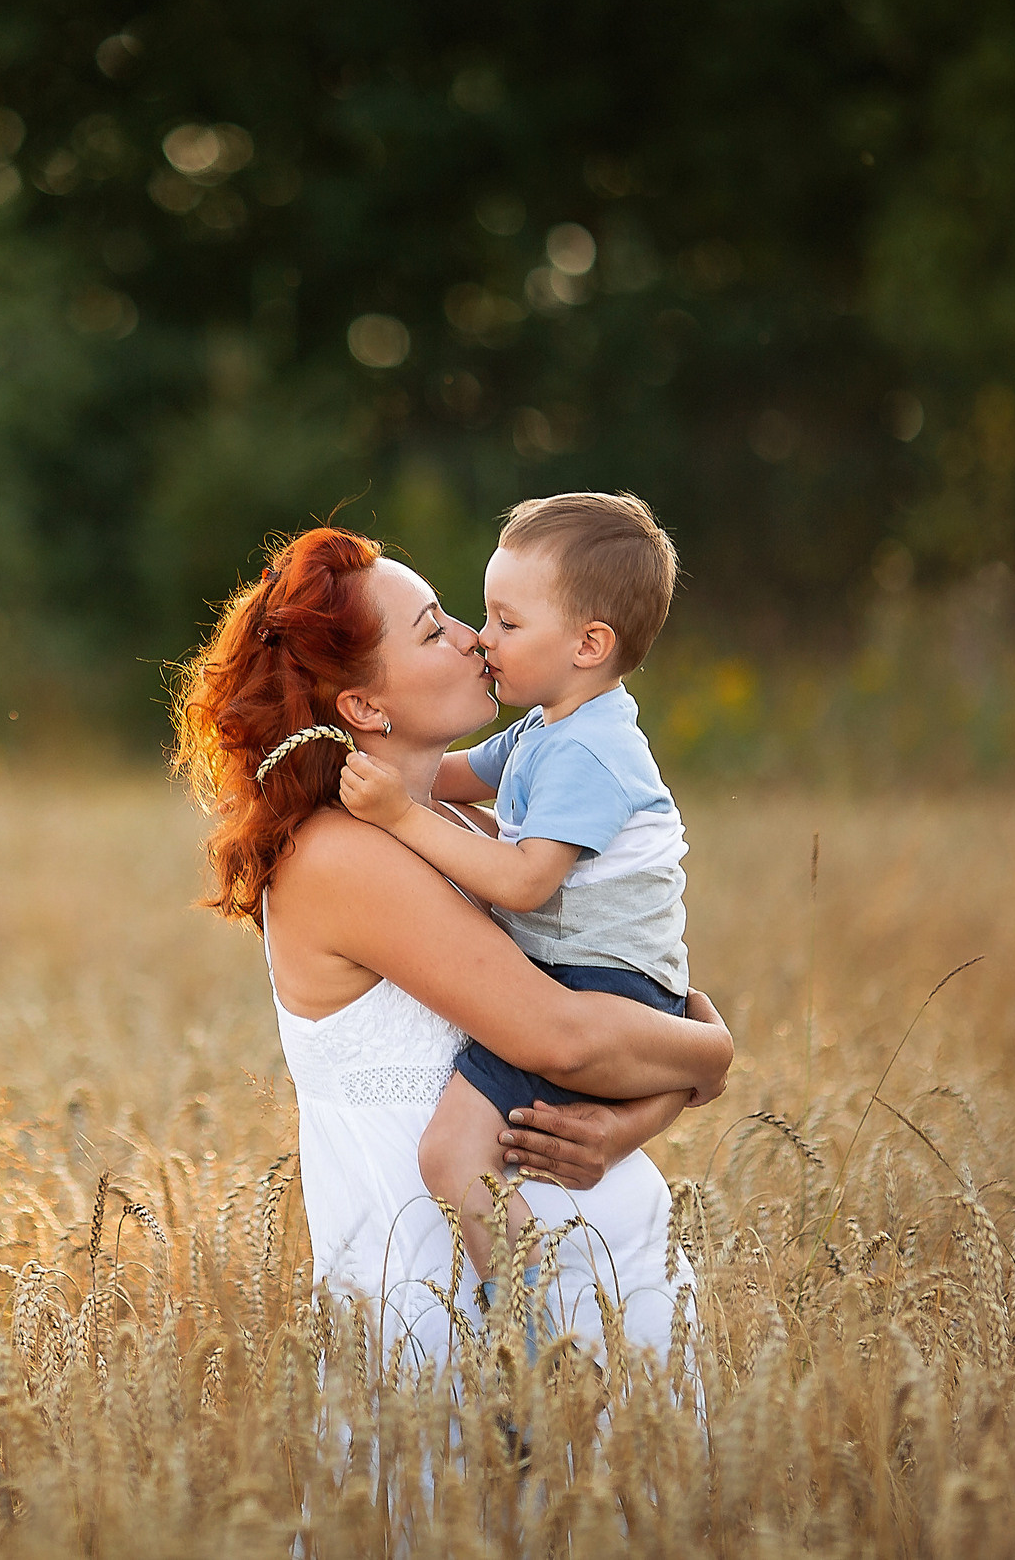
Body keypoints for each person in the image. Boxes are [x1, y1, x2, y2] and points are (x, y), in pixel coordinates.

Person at [172, 525, 730, 1367]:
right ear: (363, 707)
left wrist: (639, 1117)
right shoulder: (340, 856)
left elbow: (607, 1009)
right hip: (448, 1310)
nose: (476, 637)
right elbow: (565, 1037)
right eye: (435, 629)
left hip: (603, 1279)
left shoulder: (469, 823)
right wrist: (713, 1051)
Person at [338, 492, 695, 1325]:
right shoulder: (549, 726)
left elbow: (526, 881)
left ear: (588, 644)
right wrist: (354, 751)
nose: (481, 639)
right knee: (470, 1150)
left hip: (601, 990)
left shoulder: (593, 749)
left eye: (505, 622)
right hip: (583, 982)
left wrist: (398, 817)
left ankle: (530, 1331)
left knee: (452, 1152)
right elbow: (454, 775)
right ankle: (537, 1311)